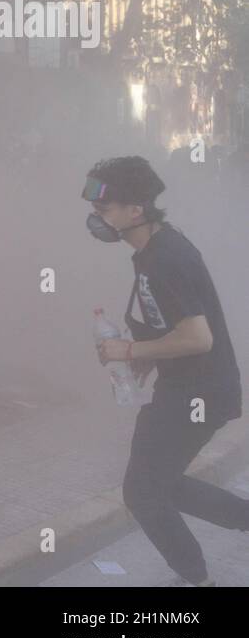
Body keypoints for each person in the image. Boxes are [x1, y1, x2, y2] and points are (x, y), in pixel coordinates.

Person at [84, 156, 248, 586]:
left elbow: (198, 337)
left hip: (198, 394)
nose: (95, 218)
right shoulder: (153, 249)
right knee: (161, 484)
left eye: (104, 210)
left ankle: (196, 580)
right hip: (193, 389)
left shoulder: (164, 259)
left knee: (142, 492)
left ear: (134, 211)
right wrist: (148, 358)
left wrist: (130, 348)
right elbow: (172, 325)